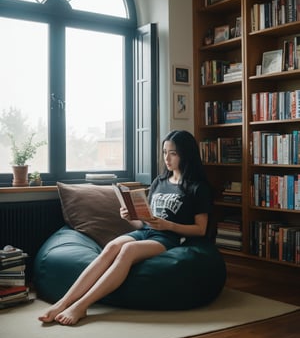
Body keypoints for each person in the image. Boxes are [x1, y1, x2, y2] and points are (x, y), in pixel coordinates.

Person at [38, 129, 212, 326]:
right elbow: (143, 223)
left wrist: (168, 225)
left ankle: (82, 305)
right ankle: (64, 302)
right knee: (112, 246)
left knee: (128, 249)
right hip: (146, 231)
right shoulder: (159, 182)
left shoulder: (197, 188)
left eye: (173, 153)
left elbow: (200, 229)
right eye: (164, 152)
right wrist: (130, 216)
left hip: (168, 239)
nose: (167, 158)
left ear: (185, 154)